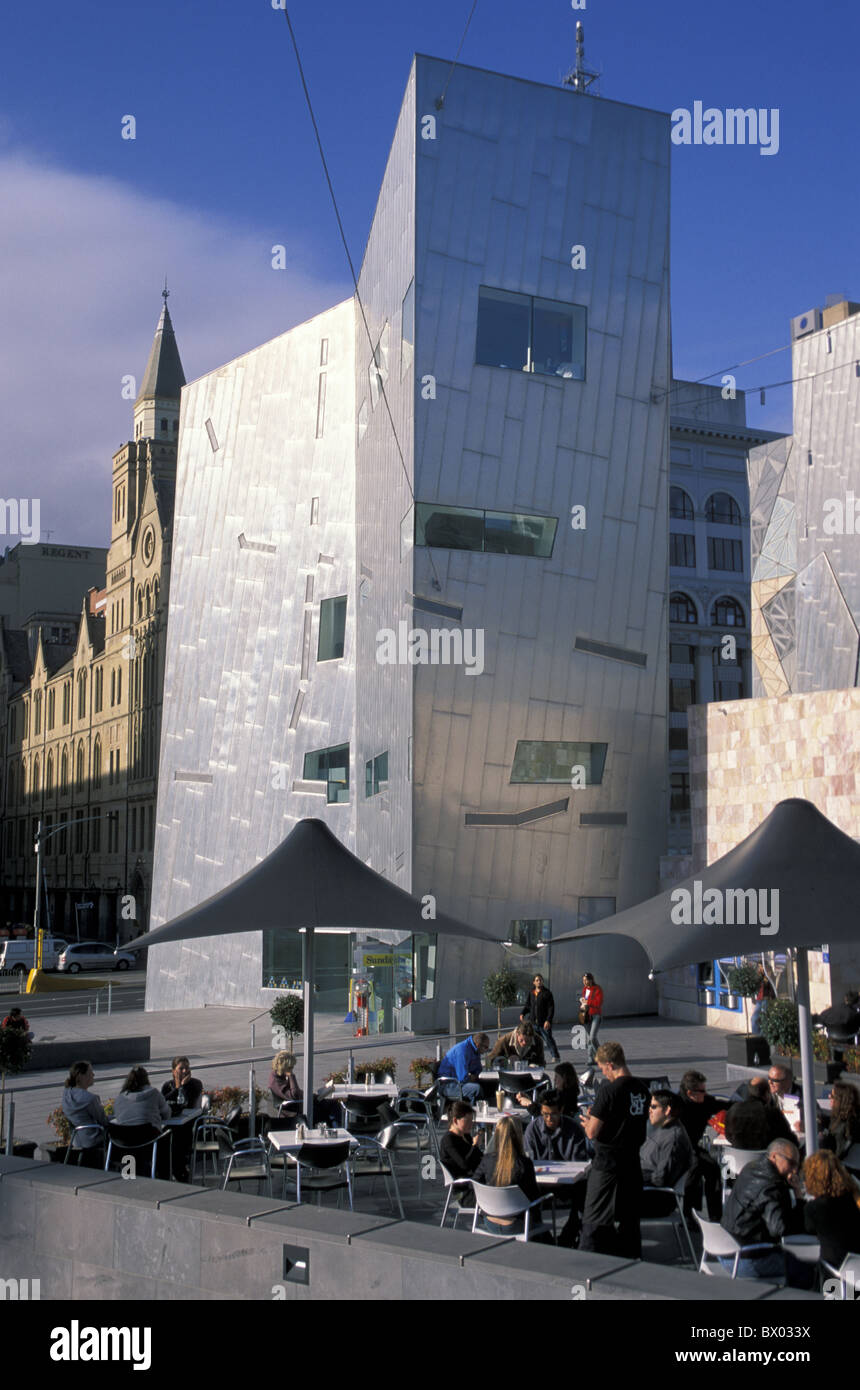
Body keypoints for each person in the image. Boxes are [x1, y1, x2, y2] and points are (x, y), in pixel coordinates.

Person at [579, 1041, 650, 1256]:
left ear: (609, 1064)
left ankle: (591, 1261)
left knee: (595, 1220)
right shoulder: (643, 1090)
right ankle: (629, 1258)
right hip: (632, 1163)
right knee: (629, 1220)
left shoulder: (608, 1091)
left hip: (607, 1165)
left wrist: (588, 1122)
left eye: (602, 1068)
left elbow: (592, 1132)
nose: (603, 1072)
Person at [719, 1138, 804, 1279]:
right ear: (775, 1156)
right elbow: (780, 1229)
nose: (795, 1170)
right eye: (791, 1163)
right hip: (747, 1259)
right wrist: (798, 1196)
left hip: (724, 1250)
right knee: (805, 1267)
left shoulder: (749, 1167)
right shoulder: (772, 1186)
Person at [473, 1115, 548, 1238]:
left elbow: (475, 1183)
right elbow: (533, 1196)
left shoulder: (487, 1160)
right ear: (519, 1136)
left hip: (490, 1220)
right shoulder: (524, 1163)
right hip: (516, 1224)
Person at [676, 1070, 726, 1220]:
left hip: (693, 1148)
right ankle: (689, 1215)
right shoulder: (678, 1105)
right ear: (690, 1092)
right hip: (677, 1149)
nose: (705, 1093)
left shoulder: (705, 1102)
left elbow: (726, 1105)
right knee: (695, 1167)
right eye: (702, 1091)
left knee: (713, 1169)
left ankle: (715, 1216)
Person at [639, 1090, 695, 1216]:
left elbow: (661, 1179)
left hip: (655, 1199)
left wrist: (632, 1176)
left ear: (667, 1110)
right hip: (643, 1189)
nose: (649, 1110)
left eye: (653, 1107)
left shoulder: (673, 1139)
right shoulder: (662, 1130)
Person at [803, 1149, 860, 1270]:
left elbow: (808, 1229)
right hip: (856, 1265)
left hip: (833, 1268)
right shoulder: (854, 1198)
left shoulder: (814, 1208)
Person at [725, 1077, 796, 1151]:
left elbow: (728, 1136)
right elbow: (789, 1140)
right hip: (765, 1157)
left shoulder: (733, 1110)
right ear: (767, 1094)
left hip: (739, 1158)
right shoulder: (772, 1113)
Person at [61, 1061, 107, 1168]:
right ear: (81, 1076)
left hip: (76, 1139)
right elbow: (103, 1121)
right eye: (91, 1072)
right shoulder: (90, 1099)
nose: (93, 1075)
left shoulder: (67, 1094)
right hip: (93, 1139)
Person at [524, 1090, 589, 1163]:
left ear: (561, 1110)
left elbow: (579, 1163)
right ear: (541, 1111)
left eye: (553, 1114)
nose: (549, 1118)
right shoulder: (533, 1130)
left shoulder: (574, 1130)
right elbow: (529, 1161)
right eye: (545, 1114)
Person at [439, 1100, 484, 1189]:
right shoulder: (448, 1140)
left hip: (474, 1178)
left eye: (472, 1121)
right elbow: (464, 1165)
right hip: (464, 1186)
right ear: (455, 1120)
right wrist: (475, 1146)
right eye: (468, 1121)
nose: (471, 1125)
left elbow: (478, 1158)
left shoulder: (465, 1135)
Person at [437, 1032, 490, 1106]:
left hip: (458, 1082)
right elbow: (462, 1078)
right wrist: (472, 1077)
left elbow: (478, 1070)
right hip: (449, 1085)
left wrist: (474, 1076)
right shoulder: (462, 1051)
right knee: (476, 1089)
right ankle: (472, 1113)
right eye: (486, 1047)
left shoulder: (475, 1051)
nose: (487, 1050)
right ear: (478, 1045)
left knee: (489, 1085)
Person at [520, 974, 560, 1063]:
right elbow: (528, 1005)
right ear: (534, 982)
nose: (539, 982)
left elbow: (551, 1008)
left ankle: (555, 1056)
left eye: (540, 980)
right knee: (532, 1040)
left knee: (548, 1039)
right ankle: (532, 1057)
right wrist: (523, 1013)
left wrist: (548, 1020)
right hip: (533, 1023)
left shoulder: (547, 993)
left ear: (542, 981)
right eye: (537, 980)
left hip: (544, 1023)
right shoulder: (531, 993)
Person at [820, 1081, 860, 1161]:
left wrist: (824, 1139)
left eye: (832, 1096)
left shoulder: (847, 1126)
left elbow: (839, 1154)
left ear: (840, 1100)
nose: (829, 1096)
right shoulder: (842, 1116)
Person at [578, 973, 603, 1079]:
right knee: (589, 1038)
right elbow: (585, 1000)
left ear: (591, 980)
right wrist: (583, 1002)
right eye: (583, 980)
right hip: (587, 1015)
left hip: (595, 1015)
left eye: (586, 980)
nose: (585, 982)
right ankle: (590, 1058)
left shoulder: (597, 989)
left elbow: (598, 1002)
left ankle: (601, 1055)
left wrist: (588, 1002)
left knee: (593, 1037)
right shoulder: (584, 989)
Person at [750, 964, 775, 1034]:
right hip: (759, 1000)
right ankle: (755, 1036)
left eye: (761, 967)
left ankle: (762, 1036)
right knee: (754, 1019)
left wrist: (764, 975)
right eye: (759, 967)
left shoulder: (768, 976)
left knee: (764, 1019)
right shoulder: (758, 976)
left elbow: (768, 985)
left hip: (766, 999)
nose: (759, 969)